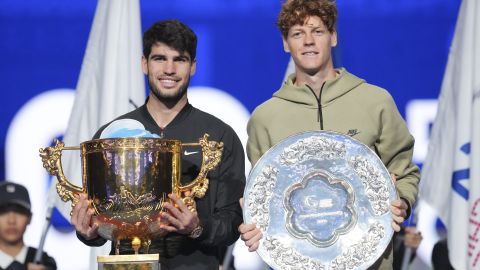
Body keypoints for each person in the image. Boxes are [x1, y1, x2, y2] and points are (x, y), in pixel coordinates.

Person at [238, 0, 420, 269]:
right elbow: (266, 198)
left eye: (318, 31)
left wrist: (402, 200)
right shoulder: (265, 117)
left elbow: (404, 173)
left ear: (333, 37)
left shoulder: (375, 101)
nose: (308, 41)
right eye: (298, 33)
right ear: (285, 43)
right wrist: (253, 225)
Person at [70, 20, 245, 269]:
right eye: (159, 58)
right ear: (144, 63)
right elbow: (98, 219)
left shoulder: (219, 136)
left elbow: (231, 223)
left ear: (193, 66)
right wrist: (89, 232)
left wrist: (196, 227)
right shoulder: (111, 137)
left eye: (180, 59)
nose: (169, 69)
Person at [0, 182, 57, 270]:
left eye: (19, 212)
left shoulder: (46, 262)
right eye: (3, 212)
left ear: (30, 218)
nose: (11, 221)